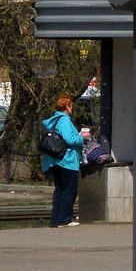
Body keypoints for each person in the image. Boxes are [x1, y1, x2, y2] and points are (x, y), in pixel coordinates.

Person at [41, 93, 90, 228]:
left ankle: (56, 219)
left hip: (54, 160)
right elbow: (69, 139)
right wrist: (82, 138)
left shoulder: (54, 120)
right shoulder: (65, 120)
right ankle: (65, 219)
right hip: (66, 160)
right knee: (69, 190)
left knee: (60, 189)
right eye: (71, 106)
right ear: (67, 107)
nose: (72, 108)